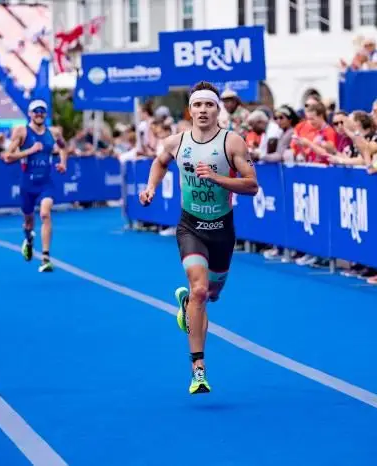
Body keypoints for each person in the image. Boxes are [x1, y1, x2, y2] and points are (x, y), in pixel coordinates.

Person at [139, 81, 258, 394]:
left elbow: (252, 185)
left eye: (209, 105)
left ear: (218, 109)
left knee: (212, 294)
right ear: (189, 110)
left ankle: (187, 302)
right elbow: (159, 162)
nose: (203, 111)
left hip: (222, 229)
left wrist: (217, 177)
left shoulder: (232, 142)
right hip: (190, 226)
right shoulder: (176, 142)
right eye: (197, 105)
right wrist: (151, 187)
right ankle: (198, 369)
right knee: (201, 291)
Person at [3, 100, 68, 272]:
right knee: (29, 221)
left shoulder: (53, 132)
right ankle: (29, 240)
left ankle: (45, 258)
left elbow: (63, 147)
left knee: (45, 214)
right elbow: (7, 157)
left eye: (42, 111)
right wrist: (29, 151)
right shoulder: (22, 131)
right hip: (27, 184)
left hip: (46, 183)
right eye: (36, 111)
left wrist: (62, 162)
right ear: (30, 113)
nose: (39, 114)